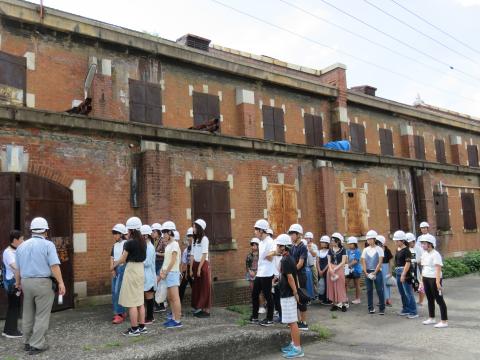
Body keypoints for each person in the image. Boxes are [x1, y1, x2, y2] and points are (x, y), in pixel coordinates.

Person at [15, 217, 66, 355]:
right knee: (42, 315)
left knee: (28, 312)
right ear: (45, 231)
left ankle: (26, 341)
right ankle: (37, 344)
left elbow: (17, 269)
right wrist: (61, 282)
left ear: (31, 230)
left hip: (26, 282)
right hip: (43, 282)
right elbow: (54, 266)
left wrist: (18, 283)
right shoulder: (48, 245)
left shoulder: (22, 246)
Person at [113, 217, 147, 337]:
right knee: (140, 301)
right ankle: (142, 326)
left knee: (132, 302)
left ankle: (134, 329)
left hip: (132, 269)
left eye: (128, 230)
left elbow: (122, 259)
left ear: (131, 230)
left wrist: (114, 265)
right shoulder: (143, 241)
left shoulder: (129, 243)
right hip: (140, 269)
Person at [277, 234, 304, 359]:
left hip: (288, 295)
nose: (277, 247)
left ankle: (298, 349)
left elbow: (290, 278)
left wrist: (295, 292)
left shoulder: (286, 259)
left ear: (284, 247)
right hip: (286, 294)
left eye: (279, 245)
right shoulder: (288, 257)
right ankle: (293, 344)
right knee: (290, 322)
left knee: (293, 322)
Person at [419, 234, 448, 328]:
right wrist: (422, 281)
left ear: (430, 244)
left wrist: (437, 282)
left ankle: (444, 321)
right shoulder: (424, 254)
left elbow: (438, 268)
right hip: (426, 278)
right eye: (422, 243)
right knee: (430, 299)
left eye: (424, 243)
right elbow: (423, 268)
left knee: (439, 300)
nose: (422, 245)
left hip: (434, 279)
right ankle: (432, 318)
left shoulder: (436, 254)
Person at [250, 219, 275, 326]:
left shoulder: (270, 241)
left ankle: (269, 319)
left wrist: (268, 255)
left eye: (256, 230)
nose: (255, 232)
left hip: (267, 273)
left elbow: (273, 254)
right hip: (260, 273)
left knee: (268, 295)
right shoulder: (261, 242)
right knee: (254, 294)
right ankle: (255, 316)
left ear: (261, 230)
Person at [160, 221, 183, 328]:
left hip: (172, 273)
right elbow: (166, 260)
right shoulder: (169, 245)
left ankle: (177, 320)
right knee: (170, 298)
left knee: (175, 298)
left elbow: (173, 261)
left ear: (170, 232)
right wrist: (162, 270)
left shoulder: (174, 244)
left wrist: (166, 272)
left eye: (164, 233)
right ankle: (173, 318)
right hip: (168, 274)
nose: (163, 235)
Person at [2, 230, 24, 338]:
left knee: (15, 305)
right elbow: (15, 267)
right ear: (15, 240)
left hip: (17, 282)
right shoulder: (8, 252)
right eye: (21, 239)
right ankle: (11, 331)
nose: (23, 241)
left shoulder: (17, 251)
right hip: (12, 283)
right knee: (13, 306)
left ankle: (8, 330)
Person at [393, 230, 418, 319]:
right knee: (402, 292)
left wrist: (403, 275)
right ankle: (406, 308)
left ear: (402, 241)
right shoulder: (398, 249)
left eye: (397, 241)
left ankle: (413, 311)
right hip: (398, 272)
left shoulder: (407, 250)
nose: (395, 242)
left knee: (408, 293)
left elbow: (407, 263)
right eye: (395, 241)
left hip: (405, 273)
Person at [289, 224, 309, 330]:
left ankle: (304, 322)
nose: (291, 236)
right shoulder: (292, 247)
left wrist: (291, 271)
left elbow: (300, 263)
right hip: (293, 275)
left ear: (298, 234)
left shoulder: (303, 247)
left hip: (300, 276)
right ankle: (297, 320)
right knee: (294, 298)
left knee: (301, 298)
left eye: (292, 234)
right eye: (290, 234)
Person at [190, 219, 212, 318]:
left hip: (203, 264)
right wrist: (190, 268)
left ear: (199, 228)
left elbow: (204, 254)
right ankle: (199, 307)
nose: (193, 228)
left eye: (194, 227)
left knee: (205, 287)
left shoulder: (204, 239)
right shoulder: (194, 240)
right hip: (195, 264)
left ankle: (206, 310)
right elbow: (192, 255)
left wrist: (199, 268)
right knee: (197, 287)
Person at [360, 230, 385, 315]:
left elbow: (380, 262)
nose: (369, 241)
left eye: (371, 239)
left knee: (379, 290)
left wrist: (375, 272)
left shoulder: (379, 249)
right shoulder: (365, 250)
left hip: (377, 272)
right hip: (367, 272)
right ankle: (370, 308)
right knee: (369, 290)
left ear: (374, 239)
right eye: (368, 239)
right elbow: (363, 261)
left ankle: (382, 308)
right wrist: (365, 272)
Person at [326, 233, 348, 312]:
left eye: (333, 240)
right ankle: (334, 304)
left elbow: (343, 262)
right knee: (331, 286)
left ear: (338, 241)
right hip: (331, 268)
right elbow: (328, 261)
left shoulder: (343, 250)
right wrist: (330, 268)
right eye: (331, 240)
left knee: (340, 286)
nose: (332, 242)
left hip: (339, 269)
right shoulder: (330, 250)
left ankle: (343, 304)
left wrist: (335, 269)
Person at [111, 224, 128, 324]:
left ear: (121, 234)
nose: (114, 235)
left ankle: (120, 314)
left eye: (116, 233)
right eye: (113, 233)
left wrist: (114, 266)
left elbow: (124, 259)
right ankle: (119, 312)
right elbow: (112, 256)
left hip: (122, 268)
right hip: (115, 268)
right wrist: (112, 269)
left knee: (118, 291)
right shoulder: (115, 245)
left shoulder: (126, 243)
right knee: (114, 291)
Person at [140, 225, 157, 325]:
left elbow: (148, 263)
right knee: (147, 296)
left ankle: (150, 317)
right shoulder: (146, 246)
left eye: (142, 235)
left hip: (149, 275)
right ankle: (148, 316)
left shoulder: (150, 247)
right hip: (145, 275)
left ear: (146, 236)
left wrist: (138, 261)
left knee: (149, 296)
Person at [152, 222, 166, 313]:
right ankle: (158, 305)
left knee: (156, 284)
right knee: (157, 284)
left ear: (158, 232)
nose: (152, 233)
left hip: (161, 264)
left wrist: (157, 253)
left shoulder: (163, 241)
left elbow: (167, 253)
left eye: (153, 231)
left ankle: (160, 305)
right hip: (155, 264)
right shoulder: (154, 241)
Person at [376, 234, 393, 306]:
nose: (376, 243)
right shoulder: (376, 249)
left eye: (377, 242)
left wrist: (390, 270)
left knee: (386, 283)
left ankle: (388, 299)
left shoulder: (387, 250)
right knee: (379, 284)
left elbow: (390, 261)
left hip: (385, 267)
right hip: (378, 267)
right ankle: (381, 300)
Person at [416, 222, 430, 306]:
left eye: (425, 228)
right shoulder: (419, 238)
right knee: (421, 279)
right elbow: (416, 248)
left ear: (428, 228)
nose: (423, 229)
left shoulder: (430, 237)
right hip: (420, 261)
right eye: (422, 228)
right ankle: (421, 299)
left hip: (428, 260)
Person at [345, 236, 362, 305]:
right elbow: (346, 259)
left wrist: (347, 265)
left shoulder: (358, 251)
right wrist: (346, 265)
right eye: (348, 244)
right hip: (348, 270)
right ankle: (345, 297)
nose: (349, 245)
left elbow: (356, 261)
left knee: (356, 284)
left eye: (350, 244)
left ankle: (358, 299)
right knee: (345, 283)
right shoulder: (348, 251)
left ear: (355, 244)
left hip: (356, 270)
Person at [179, 227, 194, 303]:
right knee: (181, 287)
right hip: (188, 270)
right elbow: (183, 262)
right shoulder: (187, 249)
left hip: (195, 269)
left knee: (195, 288)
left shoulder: (197, 248)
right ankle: (178, 304)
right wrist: (181, 272)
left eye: (191, 236)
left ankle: (197, 305)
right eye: (189, 236)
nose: (189, 238)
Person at [304, 232, 318, 300]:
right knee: (308, 281)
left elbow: (315, 255)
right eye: (306, 238)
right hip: (306, 266)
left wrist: (310, 250)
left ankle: (316, 294)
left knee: (315, 280)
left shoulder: (314, 245)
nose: (307, 239)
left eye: (308, 238)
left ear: (311, 238)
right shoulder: (303, 244)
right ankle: (310, 294)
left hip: (312, 265)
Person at [317, 235, 331, 305]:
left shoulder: (329, 251)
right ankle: (321, 298)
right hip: (320, 270)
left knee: (327, 284)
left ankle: (327, 299)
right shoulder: (319, 251)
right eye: (321, 242)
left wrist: (323, 270)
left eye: (323, 242)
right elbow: (317, 261)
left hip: (327, 270)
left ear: (327, 243)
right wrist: (319, 270)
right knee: (320, 284)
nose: (321, 243)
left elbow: (329, 262)